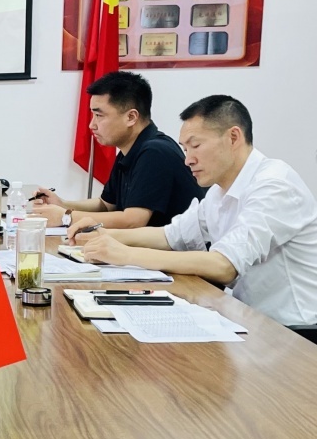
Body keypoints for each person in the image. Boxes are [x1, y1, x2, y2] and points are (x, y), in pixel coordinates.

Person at [71, 95, 317, 326]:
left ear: (233, 137)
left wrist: (125, 254)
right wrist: (103, 234)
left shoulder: (274, 186)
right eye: (185, 149)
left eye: (195, 146)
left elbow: (224, 266)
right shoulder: (220, 191)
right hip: (247, 318)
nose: (188, 159)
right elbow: (170, 235)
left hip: (292, 332)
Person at [32, 71, 203, 229]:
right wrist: (62, 204)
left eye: (99, 116)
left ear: (131, 117)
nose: (92, 125)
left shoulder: (155, 152)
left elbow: (132, 221)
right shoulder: (129, 150)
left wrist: (66, 217)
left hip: (180, 250)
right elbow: (106, 205)